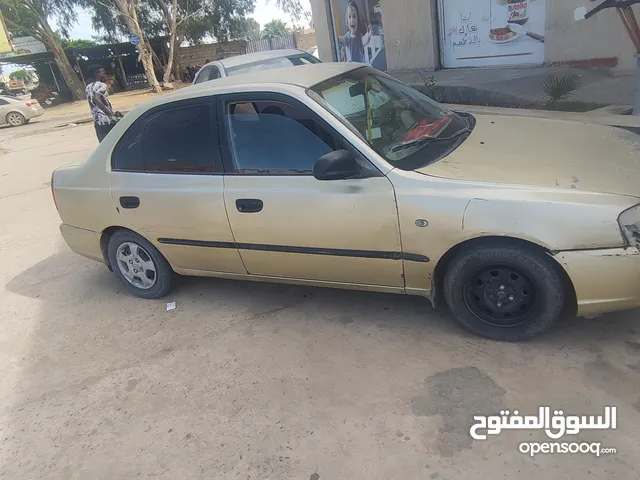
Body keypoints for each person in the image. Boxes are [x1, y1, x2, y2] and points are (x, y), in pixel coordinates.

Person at [86, 65, 122, 142]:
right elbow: (96, 98)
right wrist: (111, 115)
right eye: (102, 73)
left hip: (97, 122)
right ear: (96, 74)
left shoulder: (88, 87)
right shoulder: (102, 85)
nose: (105, 75)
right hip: (106, 120)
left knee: (104, 145)